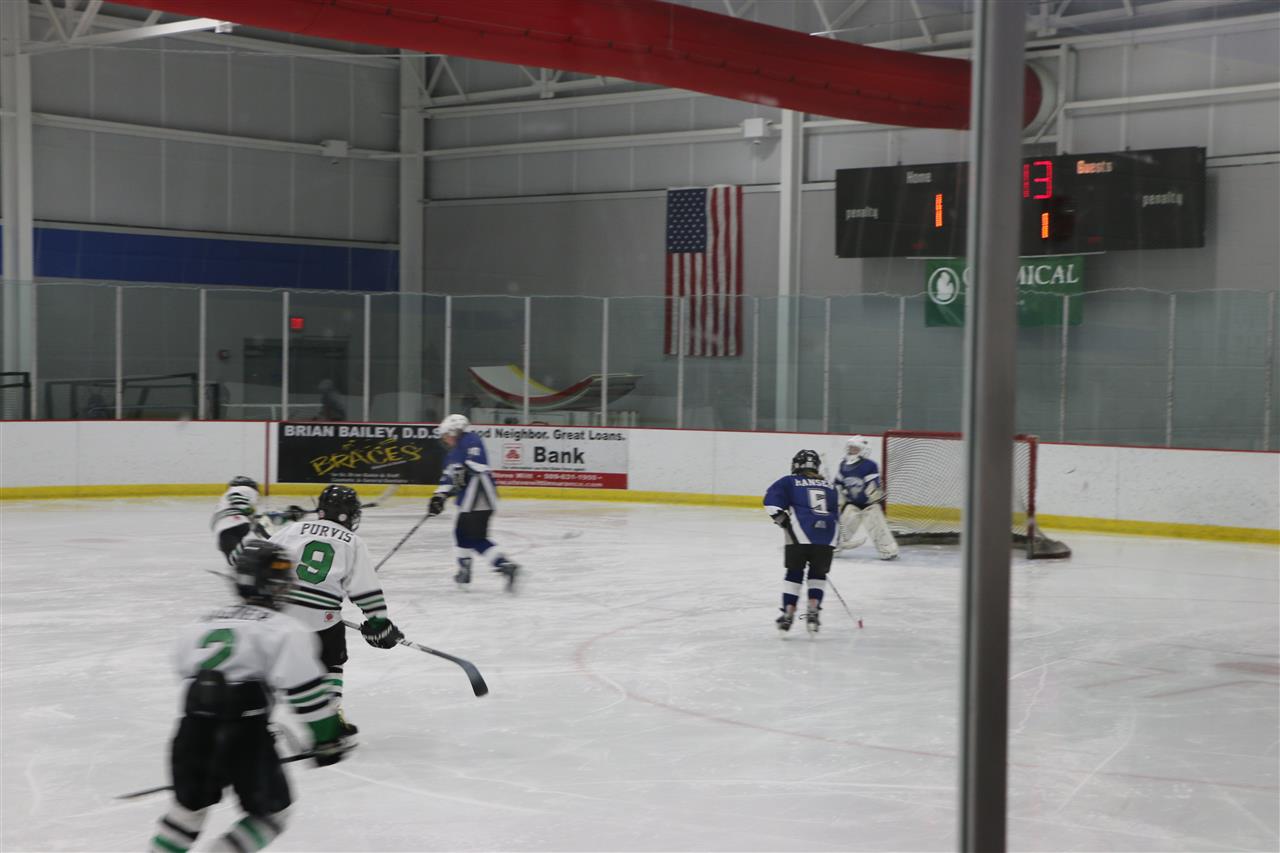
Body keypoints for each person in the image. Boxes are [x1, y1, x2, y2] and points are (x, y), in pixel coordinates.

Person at [148, 540, 353, 853]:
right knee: (271, 816)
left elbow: (187, 675)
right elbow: (305, 693)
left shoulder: (197, 625)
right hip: (246, 736)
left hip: (192, 732)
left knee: (187, 813)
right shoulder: (285, 629)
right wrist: (327, 739)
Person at [269, 484, 403, 735]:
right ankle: (330, 716)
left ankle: (260, 718)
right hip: (321, 620)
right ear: (349, 515)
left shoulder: (292, 529)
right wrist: (378, 624)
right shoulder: (352, 542)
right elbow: (365, 590)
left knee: (272, 665)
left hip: (280, 613)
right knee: (332, 660)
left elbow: (261, 558)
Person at [426, 414, 519, 591]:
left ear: (454, 431)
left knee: (476, 538)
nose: (444, 439)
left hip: (479, 496)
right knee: (461, 533)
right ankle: (465, 569)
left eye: (446, 435)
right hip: (469, 500)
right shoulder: (453, 453)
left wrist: (463, 471)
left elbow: (477, 465)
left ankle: (504, 565)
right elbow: (449, 478)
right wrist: (439, 496)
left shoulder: (471, 439)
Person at [763, 449, 839, 635]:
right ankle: (813, 610)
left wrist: (784, 522)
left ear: (796, 465)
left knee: (794, 573)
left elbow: (771, 504)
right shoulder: (830, 485)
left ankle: (788, 612)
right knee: (817, 574)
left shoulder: (789, 481)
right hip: (828, 537)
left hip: (799, 536)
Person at [210, 476, 305, 566]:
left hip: (225, 526)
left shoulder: (230, 496)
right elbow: (236, 498)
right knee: (244, 547)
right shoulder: (243, 490)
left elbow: (236, 500)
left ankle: (244, 563)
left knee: (232, 553)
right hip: (235, 522)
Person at [833, 435, 899, 561]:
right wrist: (838, 496)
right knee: (843, 526)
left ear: (863, 450)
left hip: (870, 505)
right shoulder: (843, 465)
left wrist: (875, 492)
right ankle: (834, 547)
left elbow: (874, 485)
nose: (852, 450)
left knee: (878, 528)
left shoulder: (869, 465)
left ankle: (888, 550)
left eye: (855, 448)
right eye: (850, 448)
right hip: (852, 504)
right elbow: (838, 484)